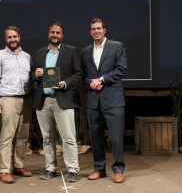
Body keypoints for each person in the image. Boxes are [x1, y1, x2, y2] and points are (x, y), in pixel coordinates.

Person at [31, 21, 82, 182]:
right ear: (49, 34)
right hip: (43, 101)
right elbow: (32, 77)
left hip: (63, 99)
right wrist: (36, 74)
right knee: (47, 138)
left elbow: (78, 74)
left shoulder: (72, 51)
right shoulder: (39, 53)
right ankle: (50, 168)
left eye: (58, 33)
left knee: (68, 138)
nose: (55, 35)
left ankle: (73, 170)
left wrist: (65, 83)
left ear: (62, 35)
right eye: (52, 32)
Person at [81, 18, 127, 183]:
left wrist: (101, 79)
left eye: (99, 28)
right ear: (90, 31)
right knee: (96, 138)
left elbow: (121, 69)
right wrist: (91, 82)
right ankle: (99, 169)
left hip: (113, 100)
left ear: (104, 30)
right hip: (93, 101)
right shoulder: (85, 51)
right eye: (93, 29)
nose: (96, 31)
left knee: (115, 138)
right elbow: (83, 75)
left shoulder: (117, 46)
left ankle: (118, 169)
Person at [0, 26, 32, 184]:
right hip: (7, 99)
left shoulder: (27, 56)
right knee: (7, 136)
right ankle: (4, 170)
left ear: (19, 37)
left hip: (26, 99)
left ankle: (18, 166)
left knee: (23, 136)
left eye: (15, 36)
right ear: (5, 39)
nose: (12, 39)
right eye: (9, 37)